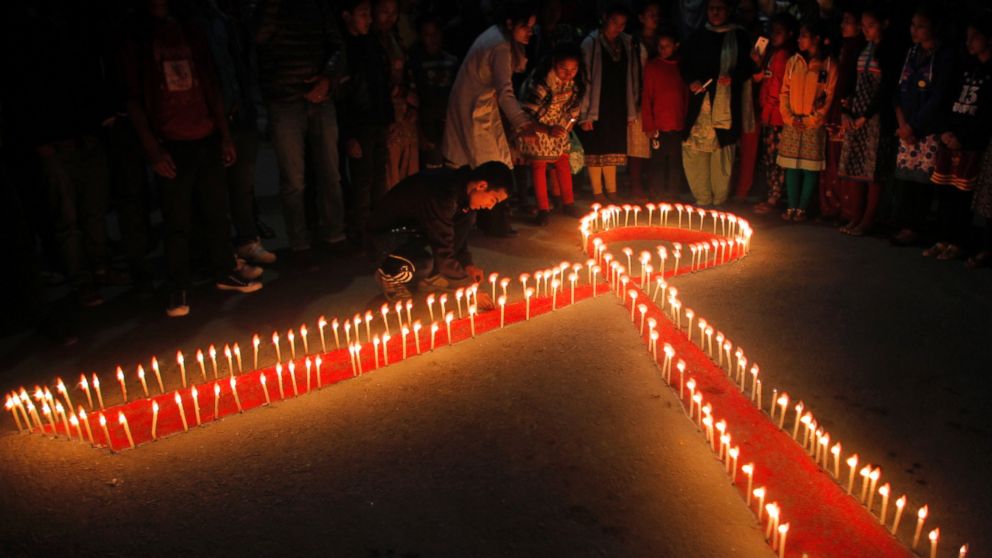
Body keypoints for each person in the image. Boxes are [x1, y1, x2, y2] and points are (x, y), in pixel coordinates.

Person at [124, 0, 262, 317]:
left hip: (205, 135)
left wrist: (224, 134)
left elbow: (210, 83)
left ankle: (224, 271)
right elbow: (133, 97)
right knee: (177, 219)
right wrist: (152, 148)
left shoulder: (190, 29)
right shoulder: (139, 37)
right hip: (170, 141)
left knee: (217, 211)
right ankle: (179, 285)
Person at [255, 0, 348, 255]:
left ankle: (335, 234)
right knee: (294, 179)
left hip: (321, 97)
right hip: (284, 98)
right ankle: (299, 243)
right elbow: (258, 39)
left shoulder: (318, 6)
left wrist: (328, 78)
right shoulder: (269, 8)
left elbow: (337, 47)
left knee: (330, 171)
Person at [441, 2, 538, 238]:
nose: (530, 32)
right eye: (526, 26)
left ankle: (487, 223)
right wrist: (523, 124)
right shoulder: (500, 46)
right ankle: (487, 224)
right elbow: (505, 91)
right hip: (474, 110)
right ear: (510, 23)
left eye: (533, 27)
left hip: (480, 106)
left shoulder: (497, 38)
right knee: (490, 167)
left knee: (491, 162)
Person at [192, 0, 277, 266]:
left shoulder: (234, 19)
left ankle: (247, 241)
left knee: (242, 185)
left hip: (243, 112)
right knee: (215, 192)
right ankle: (219, 252)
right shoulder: (200, 20)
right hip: (215, 117)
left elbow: (246, 61)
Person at [368, 161, 512, 304]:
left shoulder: (464, 194)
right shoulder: (443, 193)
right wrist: (470, 290)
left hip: (415, 232)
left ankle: (432, 274)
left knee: (467, 219)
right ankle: (388, 273)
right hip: (385, 236)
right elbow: (443, 247)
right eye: (493, 199)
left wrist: (467, 264)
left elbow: (456, 236)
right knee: (423, 264)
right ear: (481, 186)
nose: (490, 207)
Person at [925, 19, 992, 261]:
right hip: (950, 136)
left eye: (974, 36)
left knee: (961, 194)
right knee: (944, 190)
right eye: (968, 37)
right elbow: (947, 100)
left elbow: (985, 114)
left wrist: (963, 137)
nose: (969, 41)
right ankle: (942, 238)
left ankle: (958, 241)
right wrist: (945, 131)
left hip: (970, 143)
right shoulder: (965, 68)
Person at [678, 0, 755, 206]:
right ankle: (702, 198)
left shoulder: (739, 36)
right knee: (695, 150)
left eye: (720, 8)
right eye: (712, 8)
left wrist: (733, 77)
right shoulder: (697, 36)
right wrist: (690, 81)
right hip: (701, 106)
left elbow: (749, 65)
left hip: (726, 104)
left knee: (722, 152)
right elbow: (684, 63)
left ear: (728, 10)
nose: (715, 12)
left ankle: (719, 199)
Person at [889, 6, 954, 247]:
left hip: (926, 128)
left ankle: (916, 226)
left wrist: (914, 126)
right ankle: (904, 223)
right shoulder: (911, 53)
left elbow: (938, 97)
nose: (914, 30)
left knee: (921, 181)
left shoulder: (944, 57)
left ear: (934, 28)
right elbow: (898, 91)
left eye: (920, 26)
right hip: (906, 127)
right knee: (906, 178)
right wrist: (902, 123)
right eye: (912, 25)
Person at [836, 6, 900, 236]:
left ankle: (868, 218)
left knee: (872, 169)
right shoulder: (862, 48)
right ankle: (855, 215)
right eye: (863, 25)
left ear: (884, 24)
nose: (865, 30)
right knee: (854, 163)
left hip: (875, 117)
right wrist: (846, 110)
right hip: (856, 112)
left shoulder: (888, 51)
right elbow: (850, 82)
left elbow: (887, 88)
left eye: (870, 25)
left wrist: (867, 114)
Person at [339, 0, 395, 243]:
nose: (369, 19)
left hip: (378, 119)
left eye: (369, 14)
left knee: (379, 174)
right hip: (359, 122)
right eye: (363, 14)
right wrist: (348, 134)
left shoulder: (372, 43)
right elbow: (343, 95)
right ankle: (361, 229)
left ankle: (377, 225)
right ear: (347, 16)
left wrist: (388, 116)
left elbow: (380, 83)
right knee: (362, 178)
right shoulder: (344, 48)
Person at [578, 4, 641, 202]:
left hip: (618, 104)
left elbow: (632, 77)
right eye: (615, 22)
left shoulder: (626, 43)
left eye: (622, 24)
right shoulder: (591, 43)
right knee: (596, 149)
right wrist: (585, 113)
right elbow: (585, 78)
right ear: (605, 18)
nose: (618, 28)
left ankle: (611, 191)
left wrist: (631, 110)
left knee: (612, 147)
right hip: (596, 104)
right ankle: (598, 192)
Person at [777, 19, 837, 222]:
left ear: (816, 39)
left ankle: (802, 208)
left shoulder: (828, 65)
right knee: (792, 165)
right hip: (793, 121)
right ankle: (792, 206)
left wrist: (812, 120)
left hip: (813, 124)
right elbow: (784, 91)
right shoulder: (794, 62)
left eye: (804, 35)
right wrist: (789, 117)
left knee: (809, 166)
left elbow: (829, 96)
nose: (800, 39)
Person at [519, 42, 585, 224]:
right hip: (537, 128)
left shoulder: (575, 84)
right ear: (554, 64)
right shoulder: (539, 83)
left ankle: (568, 203)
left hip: (560, 128)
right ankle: (543, 209)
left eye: (574, 69)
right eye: (563, 69)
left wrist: (568, 127)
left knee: (563, 162)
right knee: (539, 166)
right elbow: (526, 115)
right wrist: (547, 129)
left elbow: (574, 112)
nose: (568, 74)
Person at [819, 5, 866, 222]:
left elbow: (851, 84)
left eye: (847, 21)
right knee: (832, 158)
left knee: (842, 159)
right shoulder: (844, 48)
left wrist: (846, 108)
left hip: (847, 110)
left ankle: (845, 208)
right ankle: (831, 206)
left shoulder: (859, 50)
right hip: (837, 108)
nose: (842, 26)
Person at [752, 13, 796, 214]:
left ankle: (774, 199)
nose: (774, 35)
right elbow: (762, 78)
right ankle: (772, 196)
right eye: (773, 31)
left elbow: (777, 87)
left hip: (776, 116)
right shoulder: (773, 53)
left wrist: (769, 109)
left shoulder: (783, 56)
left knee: (776, 159)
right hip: (769, 114)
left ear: (789, 34)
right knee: (770, 159)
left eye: (779, 32)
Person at [374, 0, 419, 189]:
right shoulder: (370, 42)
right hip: (385, 109)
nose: (390, 17)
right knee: (389, 166)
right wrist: (401, 91)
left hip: (404, 110)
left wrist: (413, 103)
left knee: (408, 161)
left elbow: (408, 70)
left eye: (394, 13)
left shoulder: (396, 37)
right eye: (384, 11)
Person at [641, 30, 689, 198]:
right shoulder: (652, 66)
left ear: (676, 46)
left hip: (677, 124)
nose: (663, 49)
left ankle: (673, 196)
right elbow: (646, 97)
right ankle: (657, 196)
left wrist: (687, 122)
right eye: (660, 46)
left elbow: (685, 95)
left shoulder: (681, 66)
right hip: (659, 126)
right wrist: (648, 125)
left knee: (676, 163)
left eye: (667, 46)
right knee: (658, 163)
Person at [407, 14, 459, 169]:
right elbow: (413, 98)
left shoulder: (452, 62)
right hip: (428, 126)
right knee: (433, 172)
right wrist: (420, 134)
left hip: (449, 126)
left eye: (435, 34)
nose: (432, 39)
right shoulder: (415, 63)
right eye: (427, 35)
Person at [627, 1, 662, 199]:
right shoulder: (632, 41)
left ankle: (653, 186)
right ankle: (636, 186)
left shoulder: (661, 41)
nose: (655, 18)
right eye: (650, 14)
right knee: (637, 143)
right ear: (641, 18)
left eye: (657, 14)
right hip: (638, 95)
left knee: (655, 143)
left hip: (658, 98)